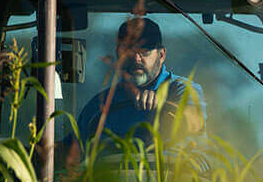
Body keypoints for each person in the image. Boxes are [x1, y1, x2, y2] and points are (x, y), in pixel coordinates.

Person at [76, 17, 205, 148]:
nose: (136, 59)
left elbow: (195, 127)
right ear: (118, 54)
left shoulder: (182, 90)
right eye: (128, 51)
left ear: (161, 55)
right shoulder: (98, 106)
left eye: (145, 52)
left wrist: (162, 104)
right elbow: (71, 151)